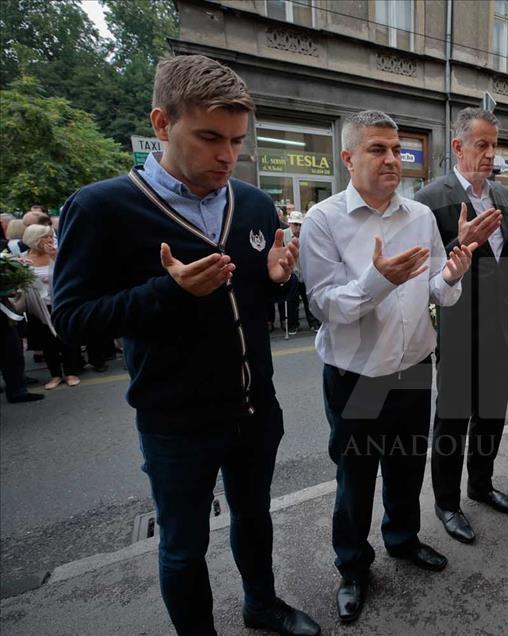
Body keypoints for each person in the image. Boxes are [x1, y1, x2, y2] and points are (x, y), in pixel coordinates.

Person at [51, 55, 320, 636]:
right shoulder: (101, 208)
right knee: (182, 545)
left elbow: (242, 306)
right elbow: (70, 320)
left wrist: (274, 281)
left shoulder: (250, 203)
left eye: (236, 140)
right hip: (175, 422)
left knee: (254, 517)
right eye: (208, 137)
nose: (226, 155)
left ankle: (261, 604)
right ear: (160, 123)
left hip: (255, 408)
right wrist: (164, 292)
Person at [300, 109, 475, 624]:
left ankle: (402, 539)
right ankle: (353, 567)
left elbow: (437, 290)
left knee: (405, 465)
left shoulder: (419, 216)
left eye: (397, 150)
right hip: (357, 376)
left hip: (414, 364)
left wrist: (453, 273)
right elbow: (326, 306)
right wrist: (378, 279)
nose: (393, 159)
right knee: (355, 478)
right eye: (378, 149)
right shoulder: (324, 220)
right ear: (349, 158)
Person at [414, 107, 508, 545]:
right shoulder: (430, 198)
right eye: (481, 145)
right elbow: (425, 272)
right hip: (454, 319)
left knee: (491, 413)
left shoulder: (504, 197)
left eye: (494, 145)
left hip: (499, 320)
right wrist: (460, 242)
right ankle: (447, 503)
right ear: (458, 147)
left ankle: (481, 485)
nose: (491, 154)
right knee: (452, 417)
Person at [20, 224, 82, 389]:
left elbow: (70, 274)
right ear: (35, 239)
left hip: (60, 303)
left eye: (50, 236)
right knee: (48, 342)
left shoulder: (57, 253)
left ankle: (71, 372)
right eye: (46, 236)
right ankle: (55, 375)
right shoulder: (22, 258)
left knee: (66, 338)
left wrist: (55, 257)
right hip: (39, 307)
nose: (50, 239)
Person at [284, 211, 319, 334]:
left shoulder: (307, 234)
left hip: (305, 271)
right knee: (292, 300)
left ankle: (314, 322)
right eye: (295, 224)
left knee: (308, 298)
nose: (298, 227)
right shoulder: (283, 235)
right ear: (290, 224)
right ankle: (293, 324)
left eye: (300, 225)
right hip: (291, 273)